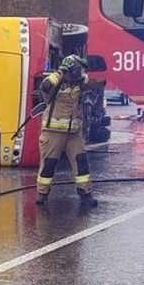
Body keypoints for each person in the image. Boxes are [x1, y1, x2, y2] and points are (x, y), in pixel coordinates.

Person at [35, 54, 96, 207]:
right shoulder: (55, 82)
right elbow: (45, 86)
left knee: (81, 162)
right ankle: (42, 194)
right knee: (49, 164)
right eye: (75, 69)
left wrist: (82, 64)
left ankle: (85, 194)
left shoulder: (79, 83)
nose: (78, 73)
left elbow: (89, 82)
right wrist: (61, 71)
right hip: (53, 132)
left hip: (73, 132)